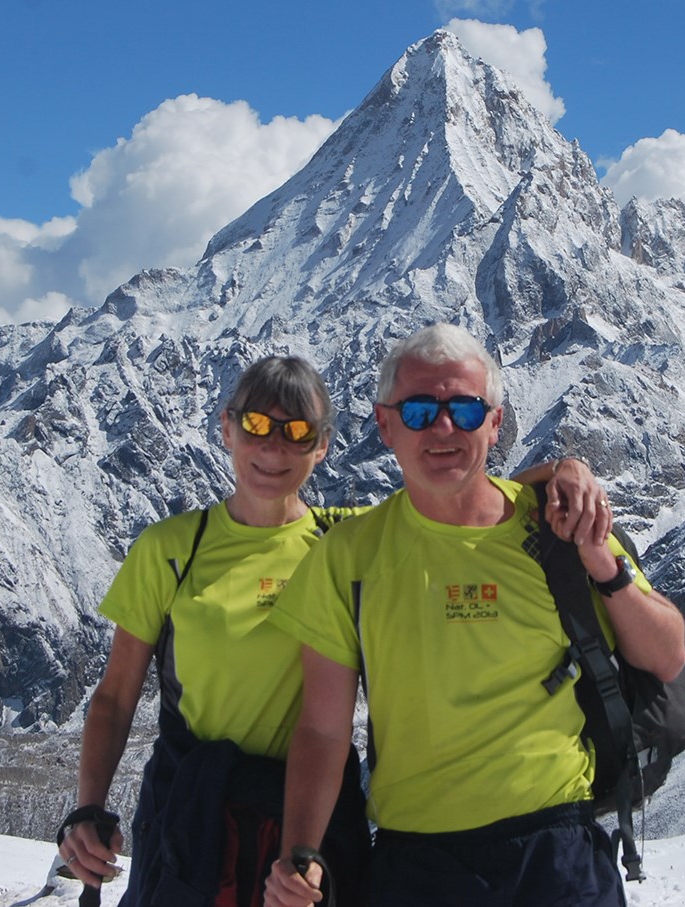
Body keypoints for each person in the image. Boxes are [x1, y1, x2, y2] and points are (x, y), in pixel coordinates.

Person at [59, 354, 606, 907]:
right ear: (226, 428)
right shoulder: (171, 550)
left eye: (297, 432)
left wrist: (561, 473)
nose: (273, 447)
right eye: (256, 425)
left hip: (313, 822)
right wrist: (88, 806)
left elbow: (457, 502)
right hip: (197, 814)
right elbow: (114, 695)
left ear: (322, 447)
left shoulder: (344, 545)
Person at [262, 324, 685, 907]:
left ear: (495, 422)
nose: (443, 428)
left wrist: (598, 559)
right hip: (419, 861)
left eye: (464, 409)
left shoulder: (556, 522)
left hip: (556, 846)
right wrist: (302, 852)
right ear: (385, 425)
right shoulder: (348, 556)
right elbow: (323, 728)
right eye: (418, 410)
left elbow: (667, 654)